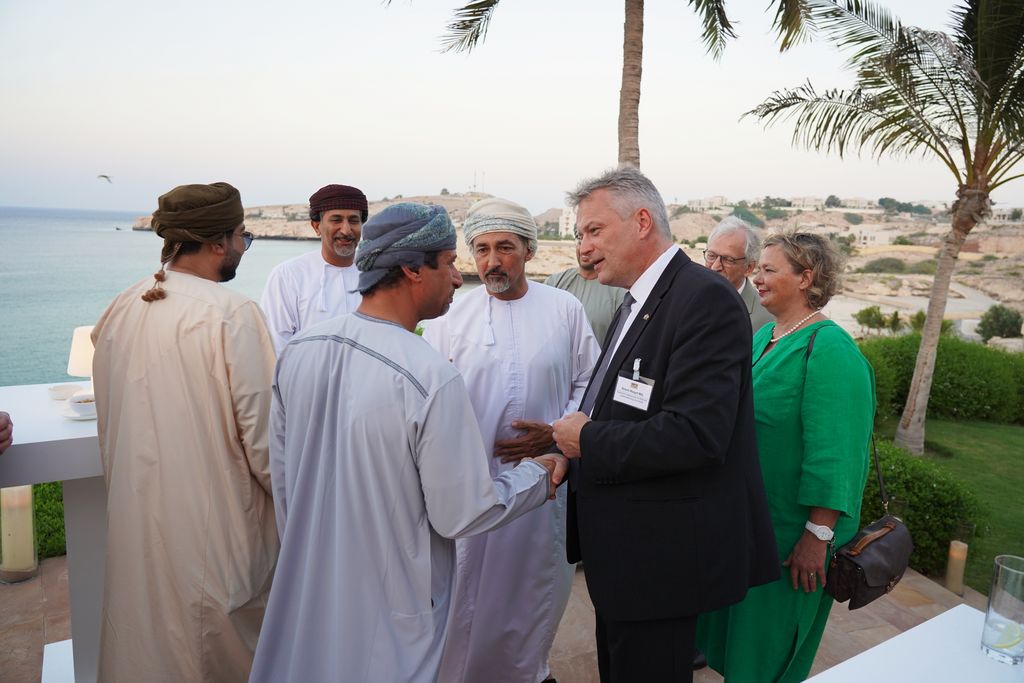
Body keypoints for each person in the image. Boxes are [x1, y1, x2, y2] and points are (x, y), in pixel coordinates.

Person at [249, 202, 568, 683]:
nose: (459, 279)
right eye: (450, 263)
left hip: (311, 594)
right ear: (412, 270)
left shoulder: (301, 351)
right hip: (390, 616)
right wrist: (538, 476)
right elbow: (463, 512)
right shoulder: (428, 376)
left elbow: (285, 478)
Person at [551, 167, 778, 683]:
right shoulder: (641, 298)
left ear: (642, 222)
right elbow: (625, 400)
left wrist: (585, 439)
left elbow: (698, 435)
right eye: (580, 234)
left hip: (660, 560)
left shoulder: (704, 299)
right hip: (627, 555)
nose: (584, 247)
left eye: (593, 230)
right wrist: (570, 448)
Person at [91, 182, 278, 682]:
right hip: (218, 545)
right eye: (243, 236)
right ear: (219, 242)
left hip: (138, 529)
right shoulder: (232, 314)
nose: (243, 246)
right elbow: (267, 449)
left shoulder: (119, 308)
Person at [423, 198, 600, 683]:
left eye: (505, 247)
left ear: (528, 251)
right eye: (481, 249)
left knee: (531, 591)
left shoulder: (564, 309)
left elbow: (590, 384)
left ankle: (526, 673)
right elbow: (429, 395)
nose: (492, 261)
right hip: (471, 482)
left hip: (546, 480)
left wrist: (555, 435)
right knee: (463, 592)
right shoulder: (450, 315)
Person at [696, 232, 875, 682]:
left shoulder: (830, 350)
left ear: (806, 278)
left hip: (791, 542)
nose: (756, 277)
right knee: (737, 647)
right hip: (750, 530)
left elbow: (836, 455)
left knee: (768, 655)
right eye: (757, 269)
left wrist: (816, 537)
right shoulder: (764, 338)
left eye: (769, 269)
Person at [260, 184, 367, 351]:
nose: (346, 230)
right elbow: (275, 346)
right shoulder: (288, 276)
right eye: (336, 220)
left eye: (353, 220)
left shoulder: (377, 273)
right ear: (316, 226)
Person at [545, 234, 626, 343]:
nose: (584, 249)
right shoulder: (554, 282)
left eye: (592, 242)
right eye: (580, 241)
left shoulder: (619, 290)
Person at [704, 216, 774, 333]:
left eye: (728, 260)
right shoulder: (688, 299)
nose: (715, 267)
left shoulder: (768, 320)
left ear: (749, 268)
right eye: (711, 256)